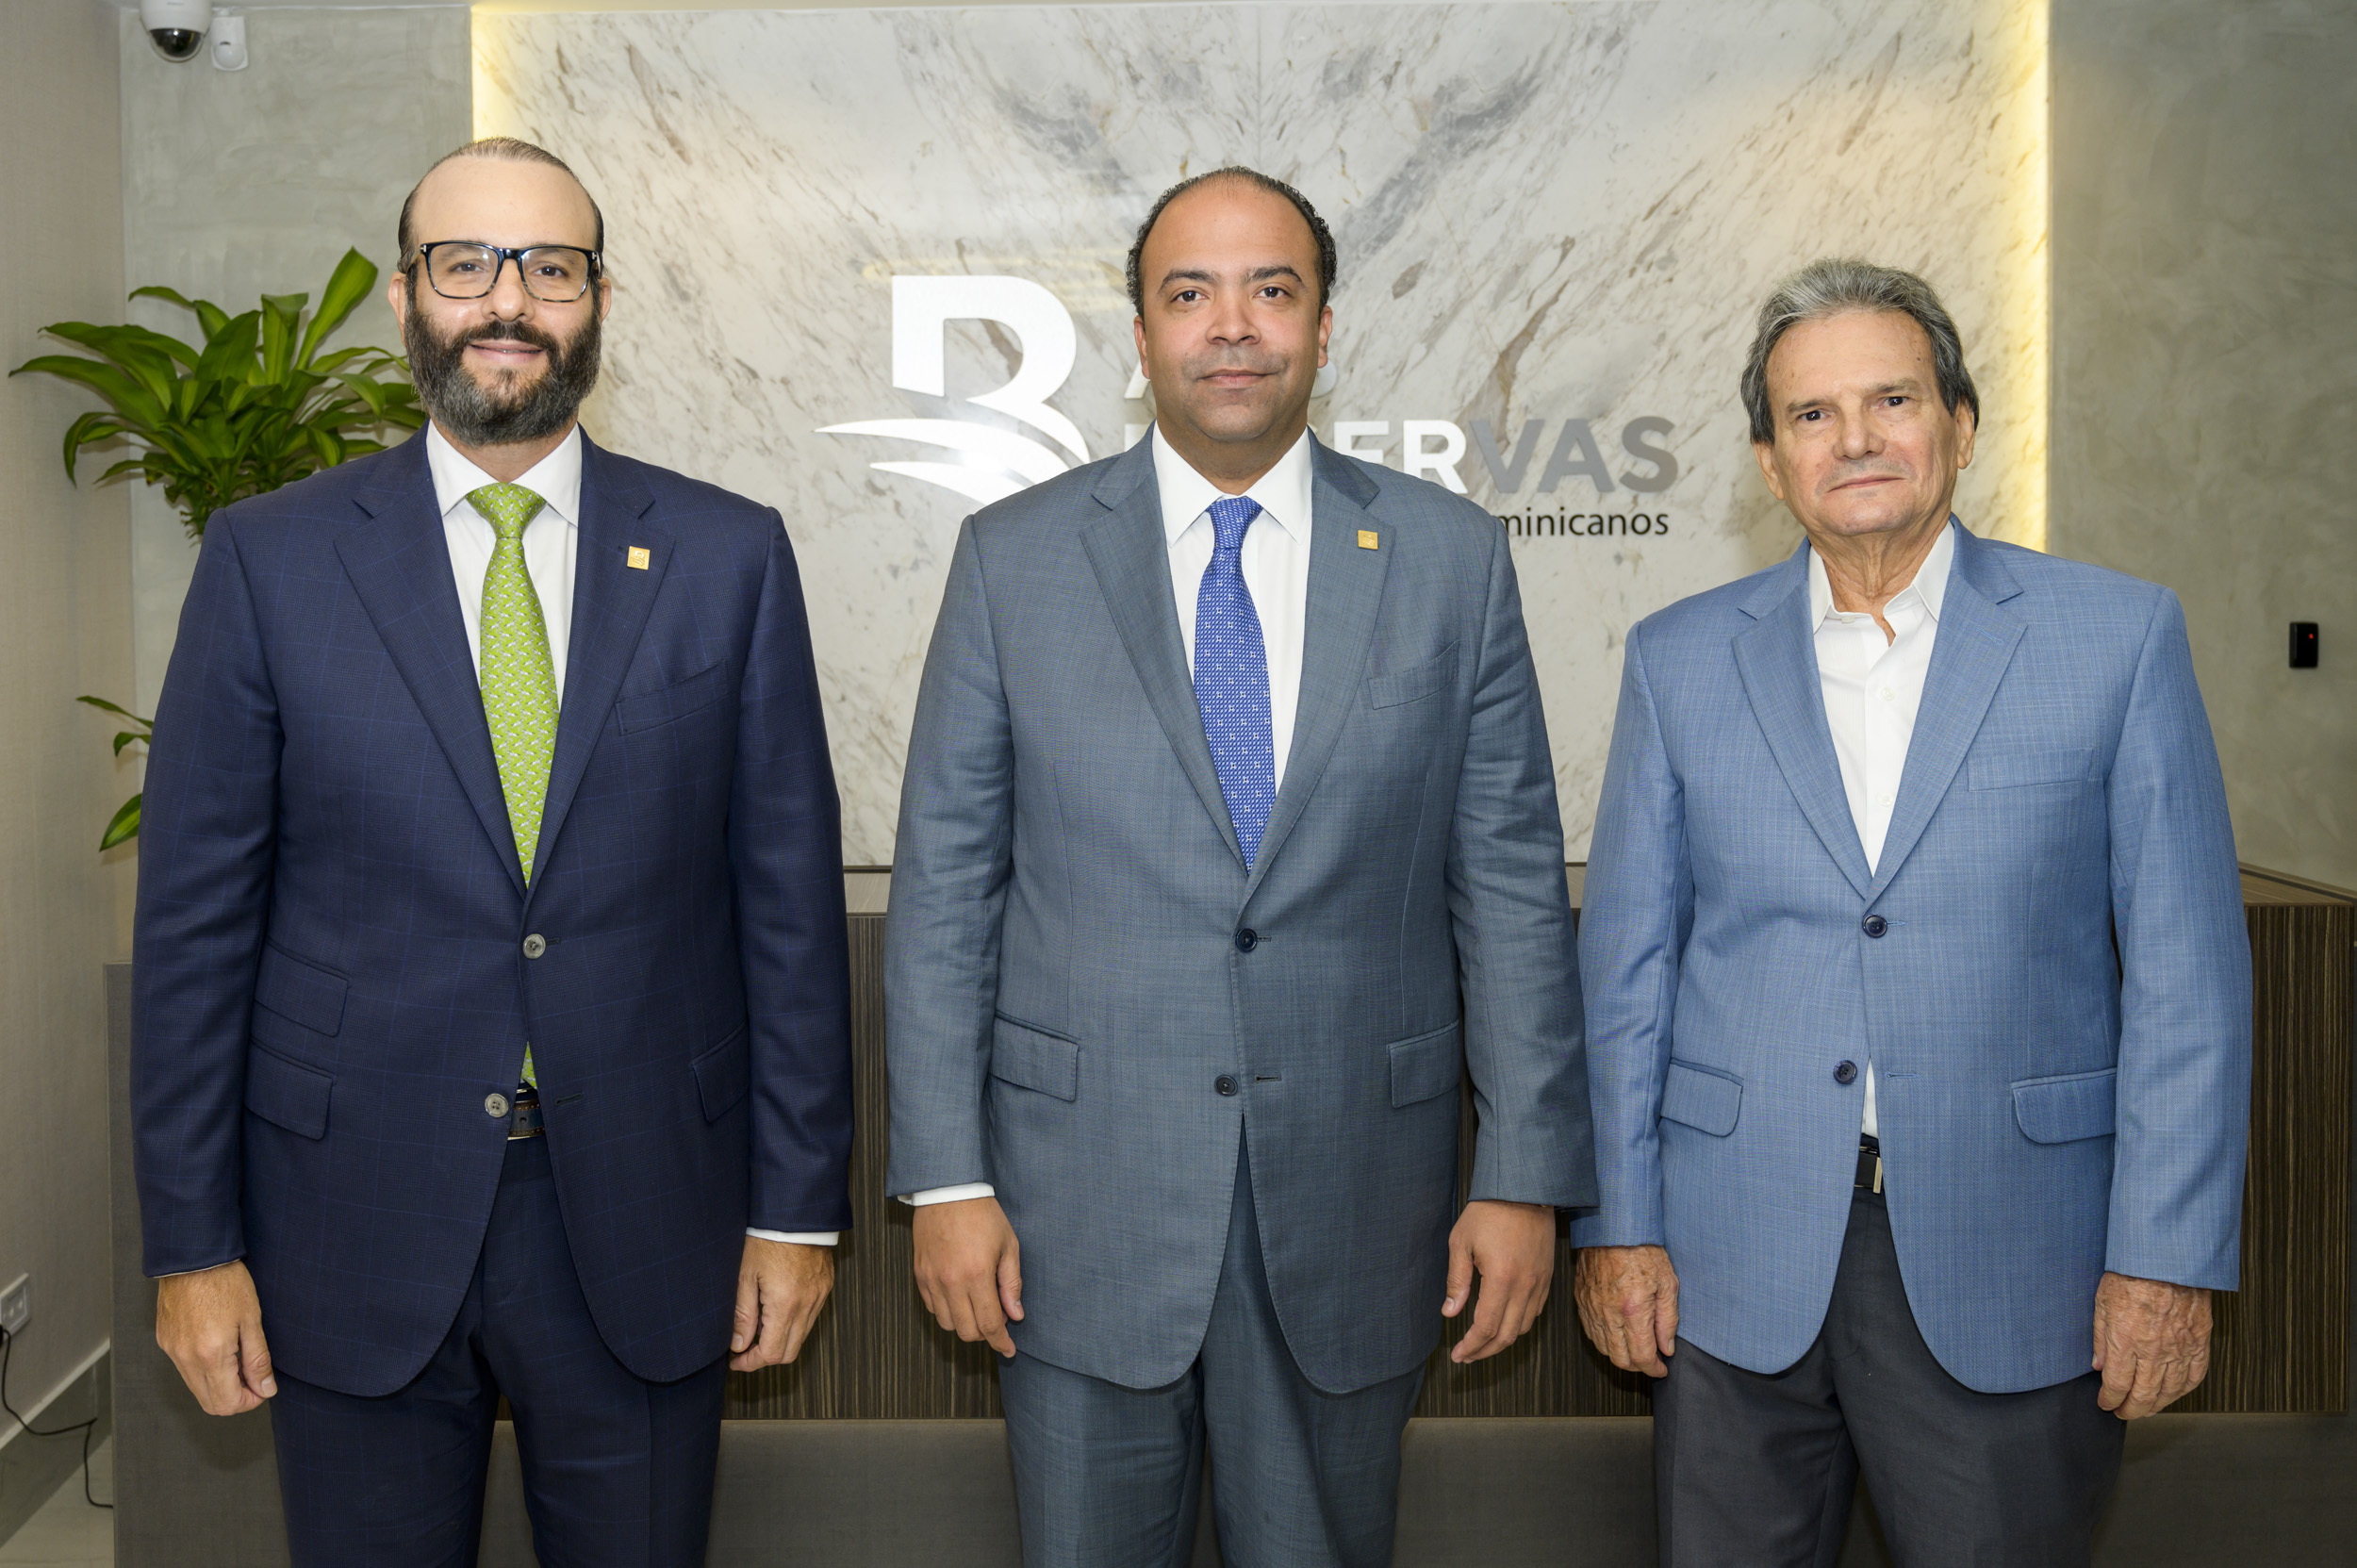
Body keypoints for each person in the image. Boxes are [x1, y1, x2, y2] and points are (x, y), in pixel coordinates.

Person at [131, 137, 853, 1567]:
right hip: (348, 1210)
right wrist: (192, 1246)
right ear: (406, 296)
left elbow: (787, 913)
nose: (507, 301)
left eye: (550, 268)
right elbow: (196, 931)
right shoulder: (271, 559)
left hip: (646, 1205)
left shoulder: (727, 555)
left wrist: (797, 1215)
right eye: (465, 264)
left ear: (599, 301)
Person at [882, 167, 1594, 1566]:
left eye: (1272, 289)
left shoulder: (1449, 559)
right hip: (1072, 1215)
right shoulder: (1013, 560)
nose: (1232, 326)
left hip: (1355, 1197)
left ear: (1325, 327)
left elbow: (1510, 889)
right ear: (1141, 334)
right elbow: (948, 891)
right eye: (1189, 293)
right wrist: (947, 1182)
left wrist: (1522, 1176)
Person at [1569, 257, 2251, 1566]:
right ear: (1770, 464)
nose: (1857, 439)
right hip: (1729, 1258)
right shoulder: (1678, 660)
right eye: (1812, 415)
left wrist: (2166, 1259)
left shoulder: (2116, 639)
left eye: (1892, 400)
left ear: (1961, 424)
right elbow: (1628, 981)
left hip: (2016, 1255)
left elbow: (2190, 986)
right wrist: (1621, 1226)